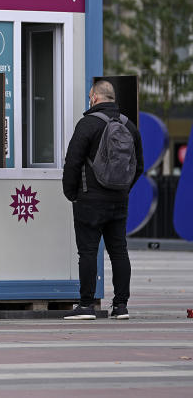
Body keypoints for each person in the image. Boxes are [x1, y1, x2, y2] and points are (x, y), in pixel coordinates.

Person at [61, 80, 143, 320]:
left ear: (94, 98)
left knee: (87, 252)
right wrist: (123, 190)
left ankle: (86, 305)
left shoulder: (87, 124)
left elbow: (73, 162)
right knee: (119, 251)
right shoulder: (130, 126)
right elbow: (139, 166)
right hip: (119, 201)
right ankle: (121, 306)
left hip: (89, 200)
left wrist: (71, 193)